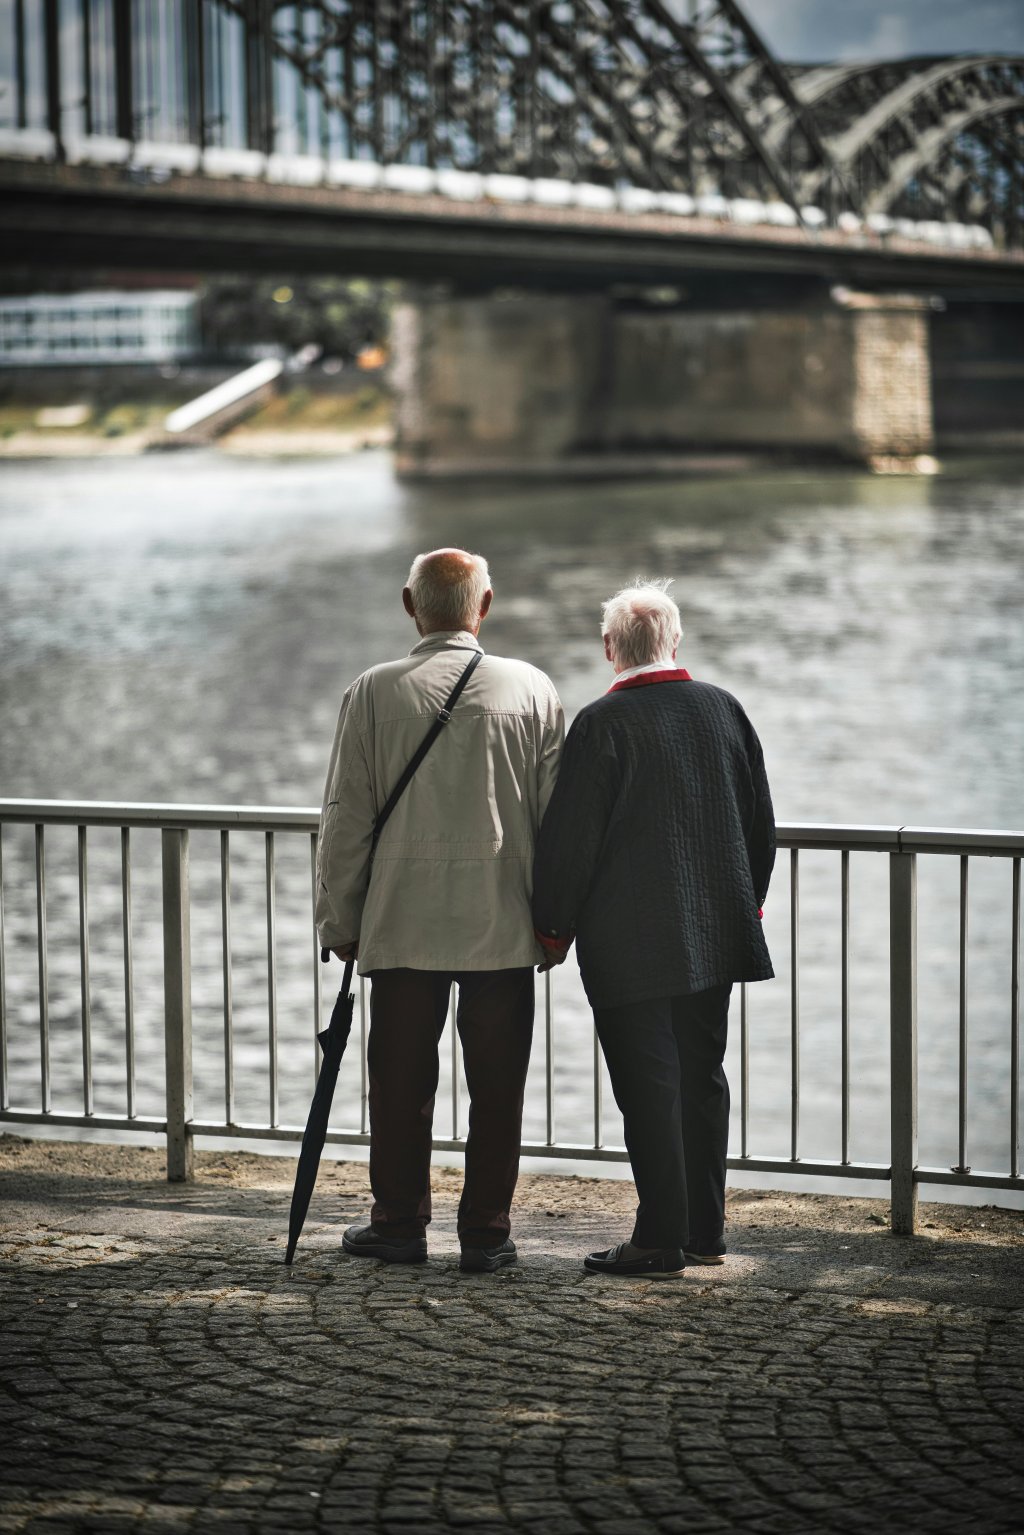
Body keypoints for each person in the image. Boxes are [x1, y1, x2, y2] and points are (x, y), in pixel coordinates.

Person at [316, 548, 563, 1273]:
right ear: (484, 606)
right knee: (497, 1087)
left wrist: (341, 920)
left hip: (401, 925)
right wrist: (556, 925)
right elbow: (558, 822)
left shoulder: (371, 692)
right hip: (502, 925)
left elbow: (345, 819)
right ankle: (486, 1231)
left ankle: (398, 1224)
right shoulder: (532, 687)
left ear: (408, 603)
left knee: (399, 1088)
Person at [531, 580, 775, 1278]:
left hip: (629, 940)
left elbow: (569, 842)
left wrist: (553, 926)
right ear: (676, 640)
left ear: (610, 648)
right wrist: (745, 904)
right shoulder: (725, 709)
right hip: (716, 931)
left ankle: (658, 1237)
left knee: (649, 1088)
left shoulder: (602, 726)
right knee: (702, 1077)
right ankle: (704, 1232)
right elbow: (760, 826)